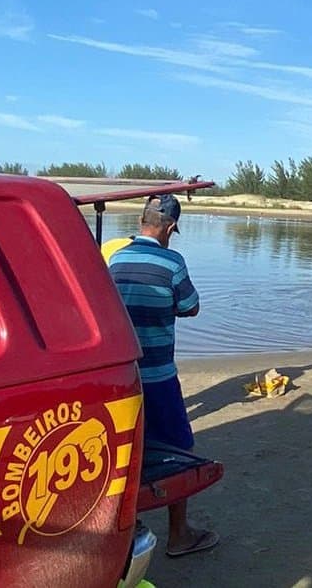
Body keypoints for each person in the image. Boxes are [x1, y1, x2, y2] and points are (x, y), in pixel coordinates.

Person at [108, 194, 219, 558]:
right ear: (170, 227)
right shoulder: (171, 261)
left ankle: (127, 531)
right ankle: (179, 535)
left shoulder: (117, 258)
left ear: (142, 221)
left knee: (130, 452)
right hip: (158, 374)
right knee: (179, 450)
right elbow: (192, 306)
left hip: (122, 376)